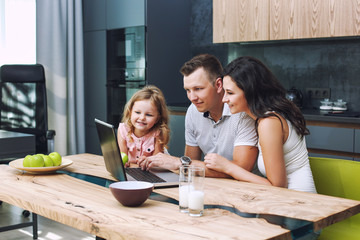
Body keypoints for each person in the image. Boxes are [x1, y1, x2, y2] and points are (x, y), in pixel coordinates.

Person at [204, 56, 316, 193]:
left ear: (250, 91)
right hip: (286, 200)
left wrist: (228, 167)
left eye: (230, 93)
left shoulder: (269, 122)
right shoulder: (268, 116)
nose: (224, 99)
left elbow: (278, 186)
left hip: (299, 203)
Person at [138, 54, 258, 177]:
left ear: (218, 85)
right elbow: (190, 164)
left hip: (245, 189)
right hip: (210, 184)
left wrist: (178, 163)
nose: (192, 97)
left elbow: (243, 168)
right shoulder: (193, 111)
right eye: (188, 90)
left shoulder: (241, 112)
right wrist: (163, 164)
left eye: (198, 89)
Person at [117, 85, 170, 165]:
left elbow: (156, 162)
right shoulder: (123, 129)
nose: (142, 118)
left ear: (157, 119)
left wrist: (148, 160)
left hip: (153, 170)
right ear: (130, 112)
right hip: (134, 169)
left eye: (149, 115)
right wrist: (124, 163)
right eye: (137, 112)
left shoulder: (158, 133)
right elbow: (122, 156)